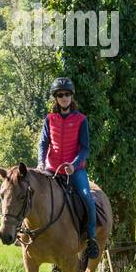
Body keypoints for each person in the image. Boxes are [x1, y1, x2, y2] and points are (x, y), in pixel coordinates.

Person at [37, 77, 99, 259]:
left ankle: (92, 239)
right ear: (55, 98)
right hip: (51, 169)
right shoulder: (50, 119)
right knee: (32, 193)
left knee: (88, 198)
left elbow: (85, 148)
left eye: (67, 94)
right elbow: (43, 144)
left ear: (72, 97)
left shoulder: (81, 120)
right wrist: (41, 163)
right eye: (60, 95)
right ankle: (23, 233)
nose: (64, 98)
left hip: (75, 169)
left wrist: (74, 165)